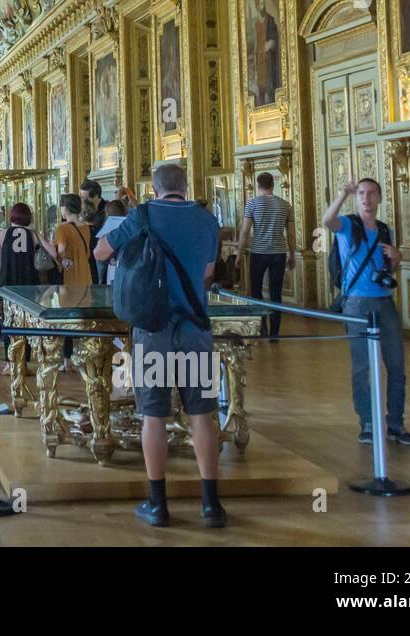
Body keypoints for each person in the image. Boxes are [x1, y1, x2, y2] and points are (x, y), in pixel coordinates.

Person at [93, 164, 225, 529]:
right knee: (202, 414)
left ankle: (157, 504)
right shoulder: (206, 219)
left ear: (154, 188)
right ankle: (211, 504)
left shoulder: (144, 215)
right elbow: (208, 271)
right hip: (196, 329)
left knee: (154, 415)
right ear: (185, 185)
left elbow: (102, 252)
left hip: (154, 330)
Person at [322, 179, 410, 447]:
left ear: (379, 198)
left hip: (384, 301)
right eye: (362, 194)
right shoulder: (349, 226)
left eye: (371, 193)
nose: (366, 198)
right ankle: (367, 421)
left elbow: (388, 270)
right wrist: (342, 193)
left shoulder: (385, 230)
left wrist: (397, 258)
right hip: (357, 303)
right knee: (362, 366)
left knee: (396, 366)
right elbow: (327, 220)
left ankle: (395, 423)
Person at [237, 172, 296, 339]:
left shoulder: (252, 204)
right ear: (273, 185)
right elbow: (291, 234)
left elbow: (244, 232)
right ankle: (275, 333)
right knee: (276, 293)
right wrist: (291, 253)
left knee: (256, 291)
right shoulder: (286, 205)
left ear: (258, 185)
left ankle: (261, 326)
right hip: (278, 252)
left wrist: (239, 254)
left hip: (258, 253)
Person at [55, 194, 95, 289]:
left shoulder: (63, 228)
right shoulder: (86, 227)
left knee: (70, 302)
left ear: (65, 209)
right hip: (85, 272)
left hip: (70, 272)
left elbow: (61, 251)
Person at [79, 179, 106, 283]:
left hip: (101, 257)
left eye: (84, 198)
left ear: (96, 197)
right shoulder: (82, 209)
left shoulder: (107, 210)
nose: (82, 201)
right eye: (81, 197)